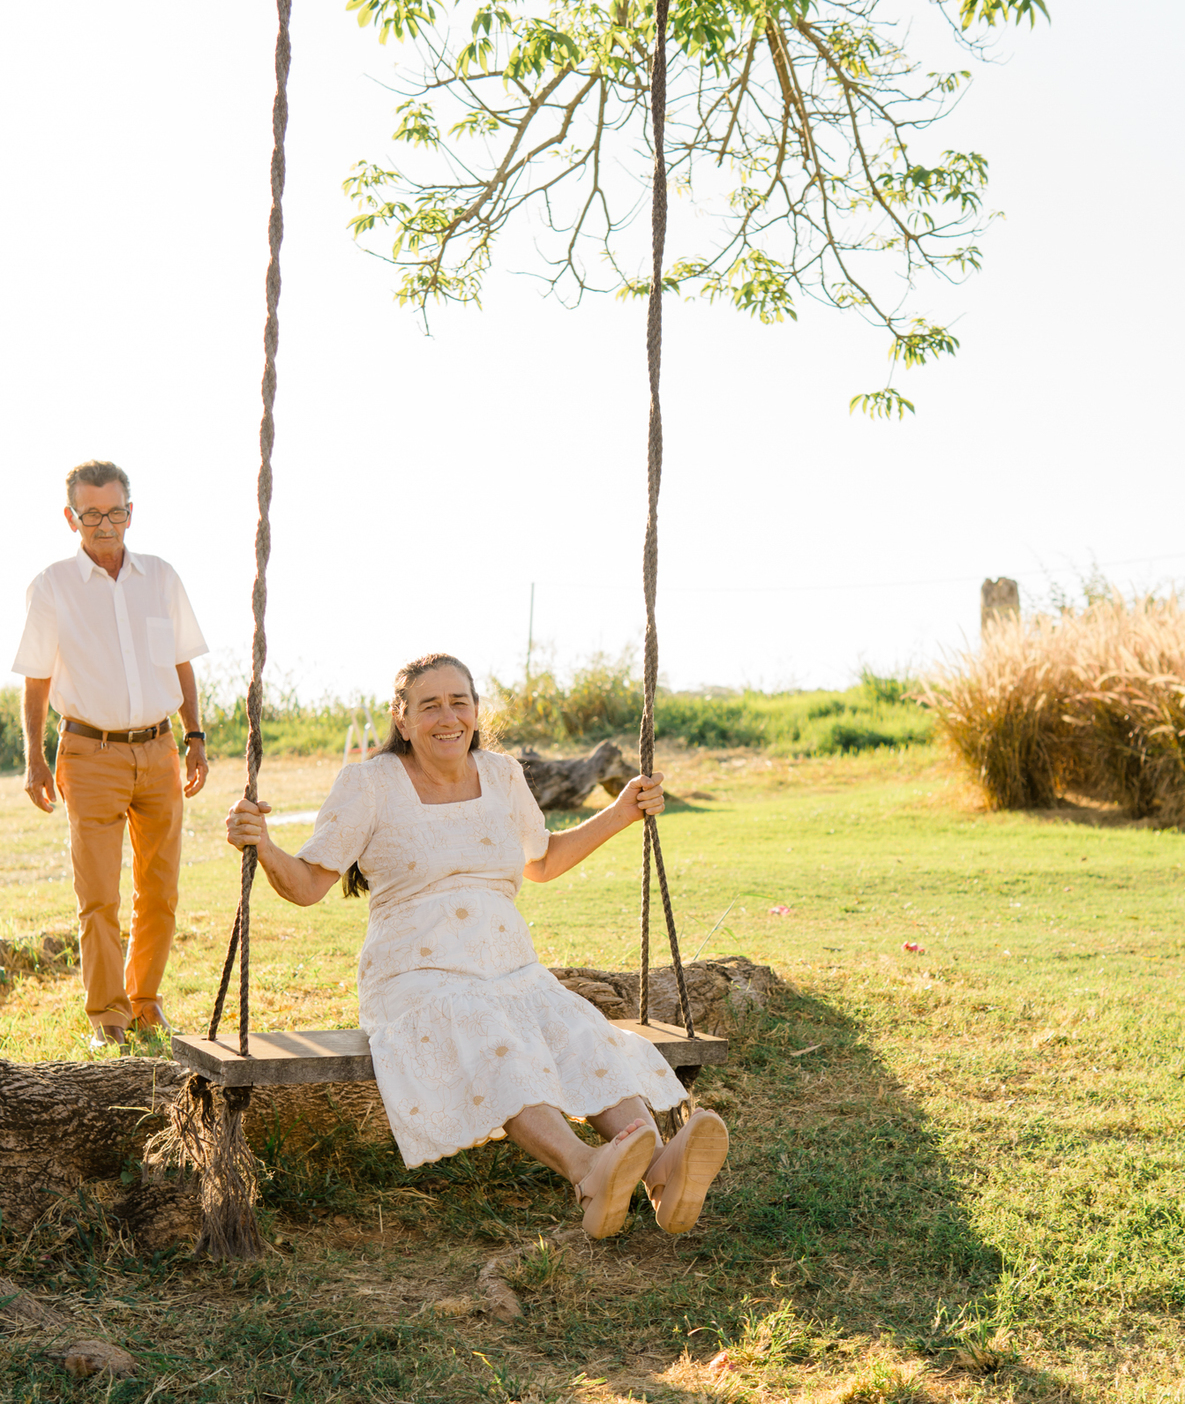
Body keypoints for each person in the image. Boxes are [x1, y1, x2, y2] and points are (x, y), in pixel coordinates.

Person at [225, 652, 729, 1238]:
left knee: (578, 1028)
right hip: (416, 974)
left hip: (510, 966)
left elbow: (541, 860)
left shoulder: (502, 774)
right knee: (487, 1032)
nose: (447, 717)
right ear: (402, 717)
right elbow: (308, 884)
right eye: (429, 704)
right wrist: (261, 844)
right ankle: (587, 1169)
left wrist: (620, 813)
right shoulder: (369, 784)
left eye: (459, 701)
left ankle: (662, 1168)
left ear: (476, 710)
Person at [13, 459, 210, 1048]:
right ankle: (107, 1016)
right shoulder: (51, 586)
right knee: (98, 894)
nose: (105, 523)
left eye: (115, 511)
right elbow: (36, 681)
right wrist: (34, 756)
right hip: (88, 752)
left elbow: (181, 663)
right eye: (92, 513)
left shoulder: (161, 577)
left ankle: (145, 1002)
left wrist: (194, 736)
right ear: (70, 517)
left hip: (159, 750)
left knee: (161, 889)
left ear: (131, 512)